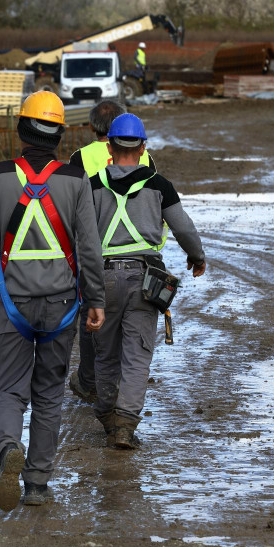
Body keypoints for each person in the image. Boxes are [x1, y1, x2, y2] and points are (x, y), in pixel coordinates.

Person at [0, 91, 105, 510]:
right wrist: (95, 298)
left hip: (12, 303)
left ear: (20, 129)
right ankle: (37, 484)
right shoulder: (75, 181)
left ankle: (8, 447)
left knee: (8, 387)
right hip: (63, 306)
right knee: (49, 392)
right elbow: (89, 249)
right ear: (60, 135)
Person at [89, 113, 205, 449]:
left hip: (102, 277)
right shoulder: (160, 185)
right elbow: (183, 228)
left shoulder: (92, 185)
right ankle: (125, 425)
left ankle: (108, 416)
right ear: (142, 148)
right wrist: (197, 258)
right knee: (137, 354)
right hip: (146, 281)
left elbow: (78, 232)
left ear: (109, 146)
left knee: (105, 354)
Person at [68, 100, 155, 403]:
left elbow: (74, 205)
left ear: (92, 127)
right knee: (134, 326)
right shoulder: (145, 159)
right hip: (140, 254)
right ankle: (121, 387)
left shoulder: (79, 158)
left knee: (91, 314)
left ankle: (90, 380)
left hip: (96, 253)